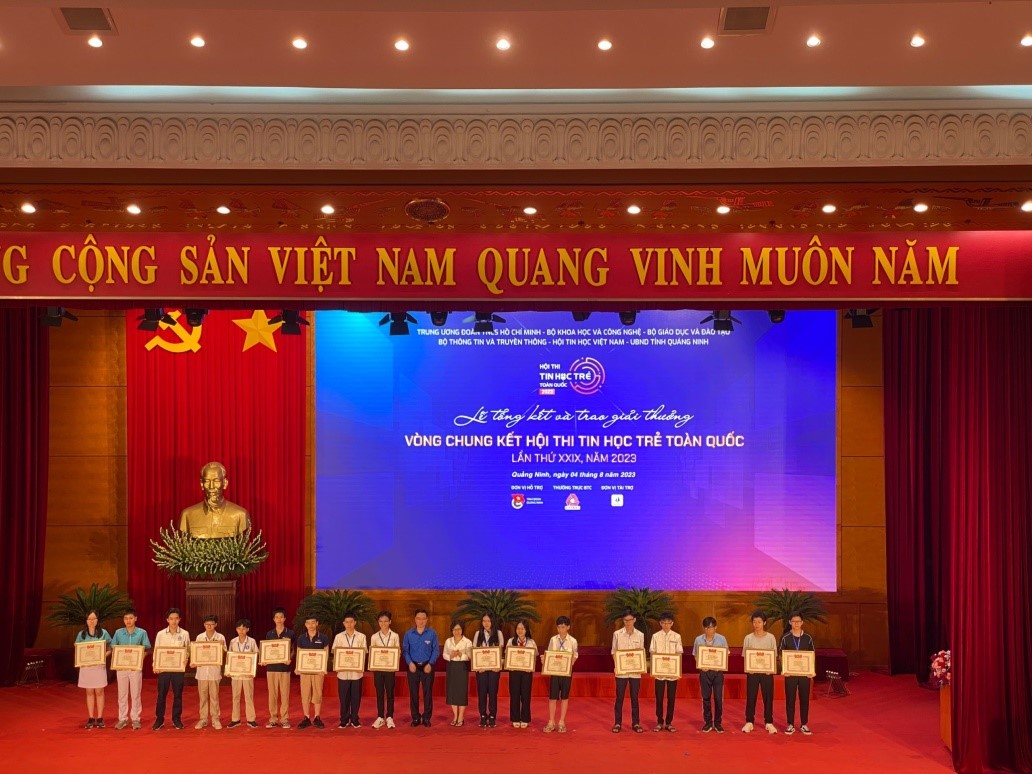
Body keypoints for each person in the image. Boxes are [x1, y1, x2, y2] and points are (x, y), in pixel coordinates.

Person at [178, 461, 250, 538]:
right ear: (201, 484)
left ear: (225, 483)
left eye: (216, 481)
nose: (211, 487)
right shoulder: (187, 515)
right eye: (207, 481)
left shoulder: (240, 515)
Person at [111, 608, 151, 730]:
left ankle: (135, 719)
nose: (128, 621)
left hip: (135, 668)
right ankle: (122, 719)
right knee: (122, 694)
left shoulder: (142, 633)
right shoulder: (118, 633)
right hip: (121, 668)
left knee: (135, 694)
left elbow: (147, 649)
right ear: (123, 620)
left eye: (131, 618)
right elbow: (113, 648)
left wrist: (139, 659)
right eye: (126, 618)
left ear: (135, 619)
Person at [153, 607, 190, 730]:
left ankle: (176, 719)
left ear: (179, 619)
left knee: (178, 695)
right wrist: (155, 665)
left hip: (178, 669)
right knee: (161, 695)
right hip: (163, 669)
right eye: (171, 619)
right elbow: (156, 650)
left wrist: (185, 660)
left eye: (176, 618)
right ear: (167, 620)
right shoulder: (161, 634)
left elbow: (187, 650)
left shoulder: (185, 634)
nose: (174, 621)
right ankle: (159, 719)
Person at [742, 609, 778, 734]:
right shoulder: (748, 638)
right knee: (751, 697)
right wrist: (748, 668)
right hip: (752, 673)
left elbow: (774, 656)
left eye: (759, 622)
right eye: (754, 622)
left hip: (767, 673)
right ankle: (749, 722)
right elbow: (745, 656)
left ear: (764, 623)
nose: (756, 624)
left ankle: (769, 722)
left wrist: (771, 669)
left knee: (768, 698)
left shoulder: (771, 637)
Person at [402, 609, 440, 727]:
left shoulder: (432, 634)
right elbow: (405, 651)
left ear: (427, 620)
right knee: (413, 693)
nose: (421, 621)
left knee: (427, 693)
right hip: (413, 666)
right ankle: (415, 718)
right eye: (418, 618)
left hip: (427, 666)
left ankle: (427, 718)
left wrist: (430, 663)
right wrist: (409, 663)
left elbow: (436, 650)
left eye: (423, 619)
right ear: (415, 619)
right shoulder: (408, 634)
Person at [780, 612, 816, 736]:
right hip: (790, 674)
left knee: (804, 699)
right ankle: (790, 724)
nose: (796, 623)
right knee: (790, 699)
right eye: (794, 621)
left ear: (802, 622)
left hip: (805, 674)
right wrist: (784, 669)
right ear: (790, 622)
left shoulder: (808, 638)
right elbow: (781, 655)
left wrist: (811, 671)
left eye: (798, 621)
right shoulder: (785, 637)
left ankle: (804, 724)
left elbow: (812, 655)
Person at [75, 609, 112, 729]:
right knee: (89, 692)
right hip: (86, 667)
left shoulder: (104, 633)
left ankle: (100, 718)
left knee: (100, 692)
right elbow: (77, 648)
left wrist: (103, 656)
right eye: (89, 619)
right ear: (86, 621)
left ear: (97, 620)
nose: (91, 621)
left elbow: (111, 648)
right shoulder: (81, 634)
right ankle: (91, 718)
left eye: (94, 619)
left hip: (99, 667)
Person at [542, 615, 578, 734]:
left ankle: (561, 722)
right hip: (554, 672)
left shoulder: (572, 641)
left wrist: (567, 663)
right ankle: (551, 721)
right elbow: (549, 654)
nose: (561, 629)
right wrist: (545, 660)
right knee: (552, 697)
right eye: (558, 627)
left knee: (564, 697)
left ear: (568, 627)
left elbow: (575, 656)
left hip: (566, 672)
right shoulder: (553, 639)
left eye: (563, 627)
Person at [611, 610, 645, 733]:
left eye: (630, 620)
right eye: (625, 620)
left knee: (635, 698)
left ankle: (636, 723)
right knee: (619, 697)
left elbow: (641, 652)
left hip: (635, 672)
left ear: (634, 620)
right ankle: (617, 723)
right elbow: (614, 651)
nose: (628, 622)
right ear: (623, 621)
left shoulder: (640, 635)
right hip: (621, 672)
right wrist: (618, 665)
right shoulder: (617, 634)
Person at [692, 616, 728, 733]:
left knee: (718, 698)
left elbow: (725, 654)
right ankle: (707, 722)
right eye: (706, 628)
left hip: (717, 673)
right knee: (706, 698)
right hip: (704, 672)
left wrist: (720, 665)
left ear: (715, 627)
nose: (709, 630)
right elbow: (695, 655)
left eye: (711, 627)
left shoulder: (722, 639)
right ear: (704, 628)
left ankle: (717, 723)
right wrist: (701, 665)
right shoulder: (698, 639)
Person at [650, 611, 684, 732]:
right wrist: (655, 669)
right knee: (659, 698)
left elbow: (679, 654)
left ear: (672, 623)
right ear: (660, 623)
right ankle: (659, 721)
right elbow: (652, 653)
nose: (666, 625)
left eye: (668, 623)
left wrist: (677, 671)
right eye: (664, 623)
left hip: (672, 674)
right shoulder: (655, 636)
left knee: (671, 698)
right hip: (659, 673)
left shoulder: (677, 636)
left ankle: (669, 722)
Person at [332, 611, 367, 729]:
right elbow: (334, 651)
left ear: (355, 622)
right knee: (343, 698)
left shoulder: (361, 636)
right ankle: (344, 720)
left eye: (351, 622)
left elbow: (364, 652)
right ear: (343, 623)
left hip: (356, 673)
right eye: (347, 622)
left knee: (356, 697)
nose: (349, 624)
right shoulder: (338, 637)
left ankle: (355, 719)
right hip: (343, 673)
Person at [296, 615, 330, 729]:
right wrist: (298, 667)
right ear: (305, 625)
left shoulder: (323, 637)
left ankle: (317, 717)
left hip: (318, 671)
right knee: (305, 694)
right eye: (308, 623)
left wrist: (324, 668)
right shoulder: (301, 638)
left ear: (317, 623)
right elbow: (299, 653)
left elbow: (326, 653)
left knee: (317, 693)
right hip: (305, 671)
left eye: (313, 622)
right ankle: (306, 717)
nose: (311, 625)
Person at [195, 614, 227, 729]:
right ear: (204, 624)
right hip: (202, 672)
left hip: (214, 672)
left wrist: (221, 647)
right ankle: (203, 719)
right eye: (207, 624)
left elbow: (224, 654)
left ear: (216, 624)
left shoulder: (220, 637)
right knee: (203, 697)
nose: (209, 626)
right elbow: (195, 653)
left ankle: (215, 719)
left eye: (212, 624)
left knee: (214, 697)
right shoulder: (199, 637)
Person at [472, 612, 504, 728]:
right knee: (482, 693)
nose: (486, 623)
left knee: (493, 693)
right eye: (484, 621)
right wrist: (477, 666)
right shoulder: (478, 634)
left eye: (488, 621)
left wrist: (498, 665)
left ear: (492, 622)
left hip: (494, 669)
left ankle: (492, 716)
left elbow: (500, 651)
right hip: (481, 669)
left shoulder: (498, 633)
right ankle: (483, 715)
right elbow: (474, 651)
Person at [369, 610, 400, 729]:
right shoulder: (374, 637)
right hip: (378, 669)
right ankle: (380, 717)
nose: (383, 623)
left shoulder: (395, 636)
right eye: (381, 621)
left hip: (390, 669)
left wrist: (392, 658)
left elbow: (398, 651)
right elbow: (372, 652)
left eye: (386, 621)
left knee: (390, 693)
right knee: (379, 693)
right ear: (378, 622)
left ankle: (390, 717)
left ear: (390, 622)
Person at [265, 607, 294, 728]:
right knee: (272, 695)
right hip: (271, 668)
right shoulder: (269, 634)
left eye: (281, 617)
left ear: (285, 619)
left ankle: (284, 719)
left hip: (284, 669)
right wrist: (265, 660)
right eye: (277, 617)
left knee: (284, 694)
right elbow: (266, 650)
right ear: (273, 619)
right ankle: (273, 718)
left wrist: (289, 658)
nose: (279, 619)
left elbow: (293, 650)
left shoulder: (290, 633)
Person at [227, 619, 258, 728]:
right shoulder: (233, 641)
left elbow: (256, 655)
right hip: (235, 674)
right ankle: (235, 719)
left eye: (243, 629)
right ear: (236, 629)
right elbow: (229, 657)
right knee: (235, 697)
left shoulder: (252, 641)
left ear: (247, 629)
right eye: (239, 628)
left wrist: (252, 669)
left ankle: (251, 719)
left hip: (247, 675)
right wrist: (228, 670)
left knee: (249, 697)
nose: (241, 631)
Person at [507, 620, 536, 729]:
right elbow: (507, 655)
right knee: (514, 695)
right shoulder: (511, 641)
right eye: (518, 628)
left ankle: (525, 718)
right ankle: (515, 718)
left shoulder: (531, 642)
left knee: (525, 695)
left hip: (526, 672)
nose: (520, 631)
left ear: (526, 630)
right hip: (514, 671)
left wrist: (531, 666)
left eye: (522, 628)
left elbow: (535, 656)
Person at [442, 621, 472, 726]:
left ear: (462, 630)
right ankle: (455, 716)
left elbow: (470, 656)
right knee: (452, 691)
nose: (457, 631)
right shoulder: (448, 641)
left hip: (462, 667)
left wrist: (460, 654)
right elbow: (444, 654)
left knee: (461, 692)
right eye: (454, 629)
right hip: (451, 667)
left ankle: (461, 716)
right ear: (452, 630)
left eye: (459, 629)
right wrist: (450, 656)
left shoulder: (467, 641)